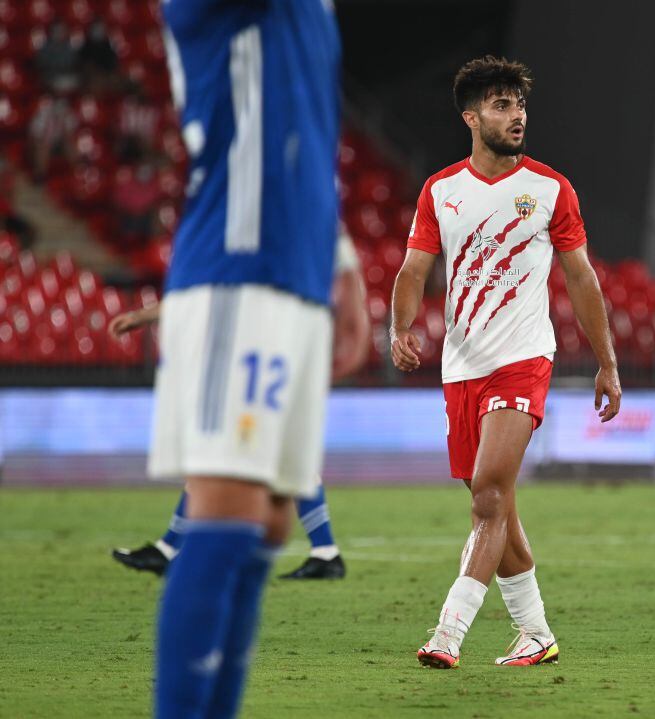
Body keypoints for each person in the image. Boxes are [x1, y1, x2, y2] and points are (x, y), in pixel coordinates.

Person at [391, 56, 621, 669]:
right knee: (500, 507)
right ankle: (536, 634)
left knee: (490, 494)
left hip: (523, 359)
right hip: (460, 367)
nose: (517, 115)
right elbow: (414, 268)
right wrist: (400, 327)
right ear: (470, 117)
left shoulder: (550, 189)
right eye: (501, 105)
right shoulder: (441, 191)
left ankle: (448, 633)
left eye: (519, 104)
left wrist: (607, 363)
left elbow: (581, 277)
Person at [151, 2, 343, 717]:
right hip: (238, 263)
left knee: (268, 522)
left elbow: (310, 119)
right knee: (228, 511)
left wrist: (343, 263)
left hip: (297, 269)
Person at [110, 232, 369, 581]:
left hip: (263, 370)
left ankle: (171, 549)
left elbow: (206, 295)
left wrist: (147, 316)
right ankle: (325, 552)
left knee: (226, 455)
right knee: (276, 457)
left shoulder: (257, 257)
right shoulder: (279, 257)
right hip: (269, 366)